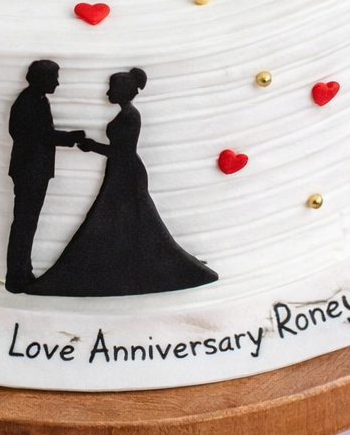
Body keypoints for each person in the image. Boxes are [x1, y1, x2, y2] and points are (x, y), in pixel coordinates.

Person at [26, 68, 218, 297]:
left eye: (112, 88)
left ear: (124, 91)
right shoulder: (126, 114)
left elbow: (122, 150)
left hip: (126, 171)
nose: (108, 93)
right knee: (126, 219)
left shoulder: (130, 116)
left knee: (130, 218)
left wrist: (92, 146)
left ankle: (171, 265)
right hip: (121, 169)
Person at [5, 60, 85, 293]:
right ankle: (17, 276)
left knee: (27, 223)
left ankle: (23, 271)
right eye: (54, 78)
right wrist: (70, 138)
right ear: (42, 78)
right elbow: (41, 135)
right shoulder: (30, 101)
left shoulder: (35, 99)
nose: (57, 83)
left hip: (32, 170)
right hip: (30, 170)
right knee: (25, 223)